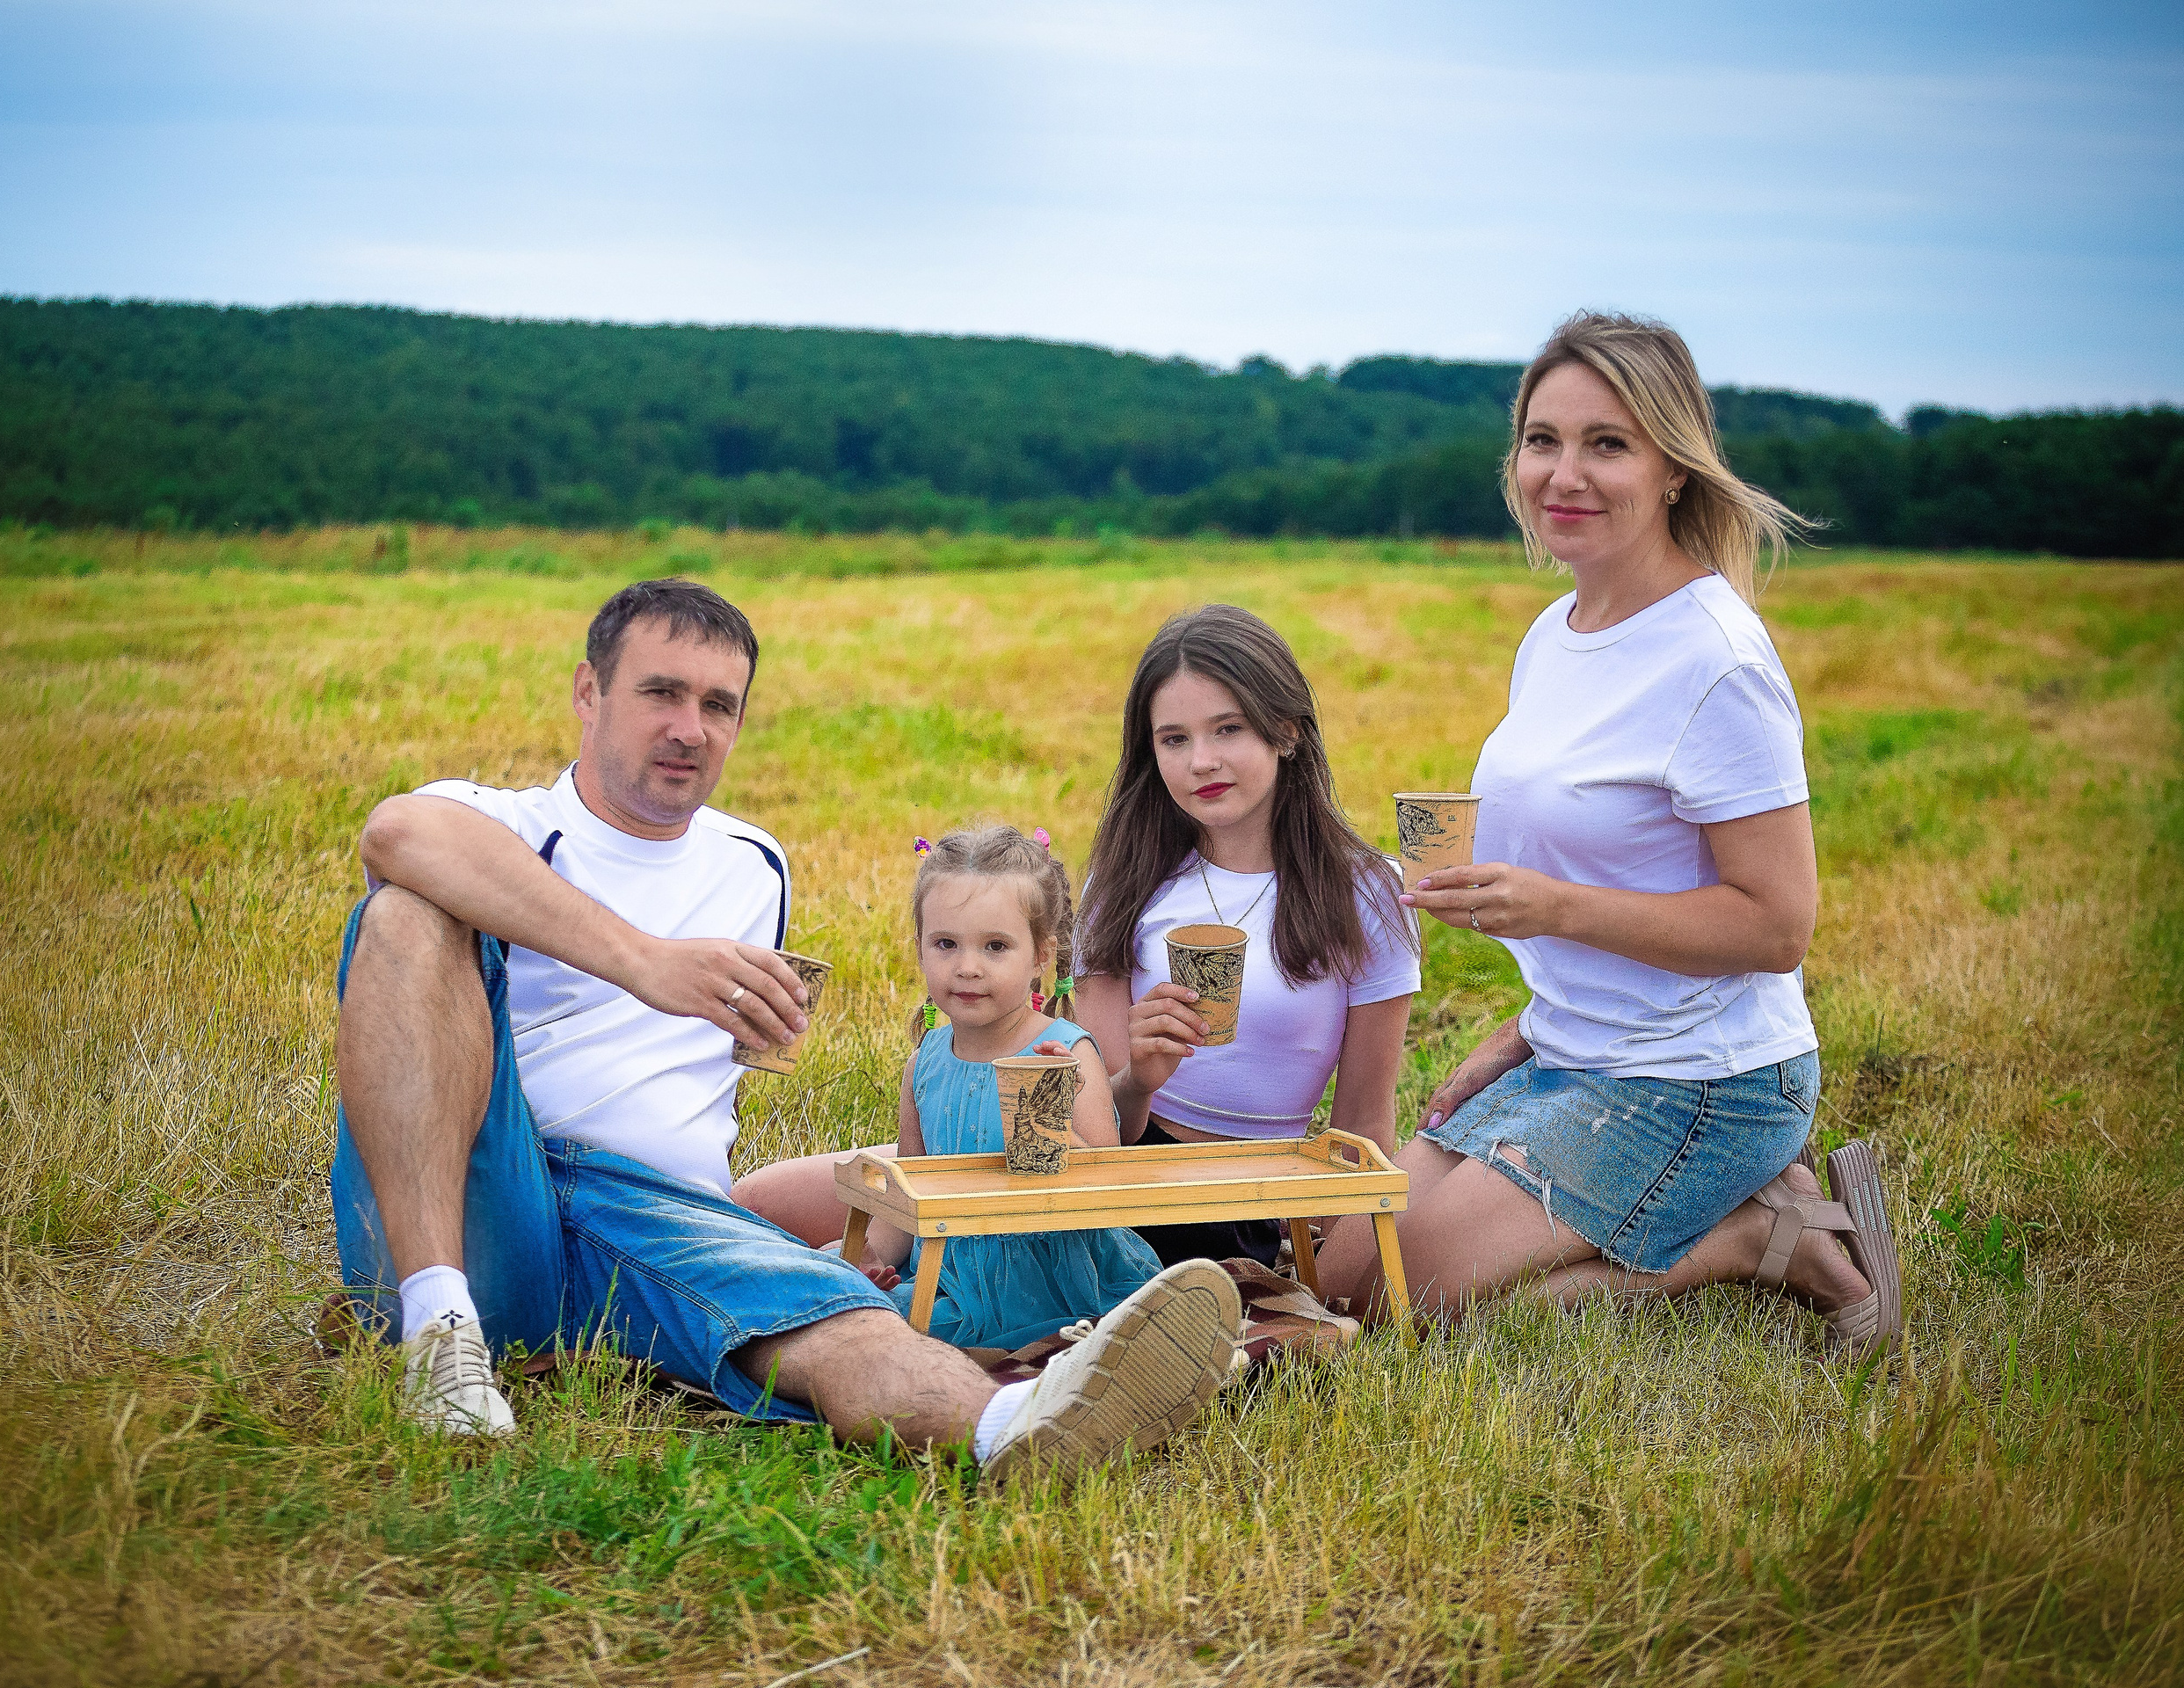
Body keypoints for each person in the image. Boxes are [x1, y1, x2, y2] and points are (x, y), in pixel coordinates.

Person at [330, 576, 1241, 1478]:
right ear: (587, 692)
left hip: (659, 1220)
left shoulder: (752, 863)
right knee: (404, 916)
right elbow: (394, 834)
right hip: (490, 1202)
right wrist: (648, 961)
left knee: (835, 1313)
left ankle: (1019, 1426)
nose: (690, 727)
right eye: (661, 693)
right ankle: (441, 1335)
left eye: (719, 705)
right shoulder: (505, 824)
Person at [1314, 311, 1902, 1355]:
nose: (1563, 474)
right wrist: (1529, 1028)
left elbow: (1777, 927)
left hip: (1701, 1077)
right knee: (1338, 1273)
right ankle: (1743, 1210)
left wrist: (1552, 909)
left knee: (1403, 1312)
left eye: (1607, 444)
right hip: (1574, 1050)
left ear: (1673, 468)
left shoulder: (1716, 661)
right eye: (1543, 440)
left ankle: (1761, 1234)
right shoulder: (1558, 631)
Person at [1071, 605, 1422, 1267]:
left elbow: (1364, 1123)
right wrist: (1141, 1075)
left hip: (1255, 1198)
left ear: (1286, 730)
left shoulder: (1368, 891)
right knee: (878, 1188)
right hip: (1123, 1181)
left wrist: (1333, 1258)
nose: (1202, 761)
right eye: (1173, 739)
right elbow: (1099, 1131)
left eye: (1227, 729)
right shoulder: (1125, 879)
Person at [796, 825, 1165, 1349]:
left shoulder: (1064, 1054)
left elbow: (1104, 1195)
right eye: (945, 944)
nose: (967, 967)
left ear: (1041, 956)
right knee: (830, 1300)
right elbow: (912, 1202)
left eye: (996, 947)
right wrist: (865, 1256)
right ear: (920, 948)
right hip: (957, 1277)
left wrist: (1050, 1124)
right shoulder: (926, 1061)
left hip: (1057, 1278)